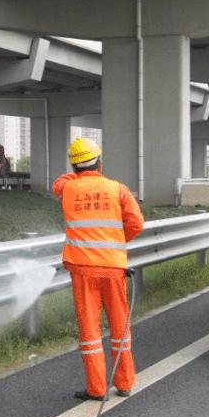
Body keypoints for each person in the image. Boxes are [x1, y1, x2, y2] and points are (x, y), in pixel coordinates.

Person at [52, 137, 144, 401]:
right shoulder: (118, 189)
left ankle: (96, 389)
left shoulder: (68, 188)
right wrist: (114, 243)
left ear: (74, 166)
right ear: (100, 162)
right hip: (113, 268)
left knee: (90, 332)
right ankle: (124, 383)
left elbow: (58, 183)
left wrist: (75, 175)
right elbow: (136, 223)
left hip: (82, 269)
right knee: (120, 326)